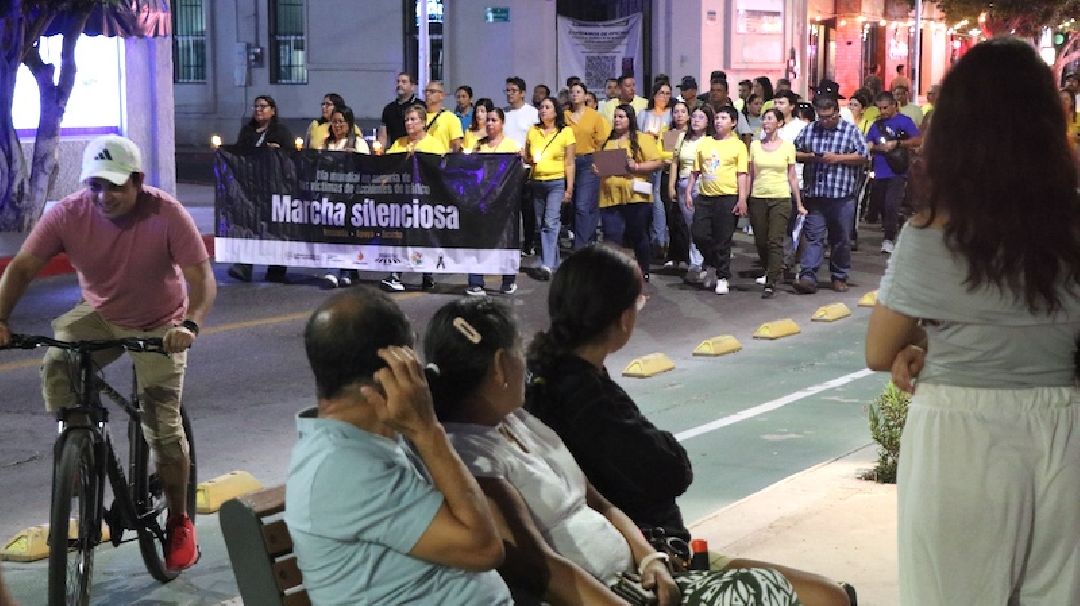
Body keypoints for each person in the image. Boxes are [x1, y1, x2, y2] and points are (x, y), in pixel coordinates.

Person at [865, 38, 1080, 606]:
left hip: (959, 432)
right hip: (1067, 429)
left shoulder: (930, 232)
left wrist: (923, 342)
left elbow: (879, 350)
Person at [522, 245, 859, 606]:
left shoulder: (557, 381)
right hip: (652, 565)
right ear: (622, 318)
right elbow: (671, 470)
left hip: (647, 555)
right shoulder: (587, 401)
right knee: (829, 599)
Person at [424, 295, 806, 606]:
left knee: (789, 589)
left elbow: (599, 503)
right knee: (767, 592)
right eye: (518, 350)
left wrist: (650, 559)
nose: (526, 361)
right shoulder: (470, 458)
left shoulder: (518, 419)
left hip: (640, 577)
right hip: (608, 594)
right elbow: (544, 569)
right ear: (499, 367)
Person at [0, 135, 216, 572]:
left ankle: (178, 521)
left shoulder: (165, 212)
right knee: (59, 357)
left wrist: (189, 324)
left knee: (164, 427)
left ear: (137, 182)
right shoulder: (68, 213)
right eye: (95, 185)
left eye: (115, 186)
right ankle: (78, 442)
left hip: (160, 324)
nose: (104, 196)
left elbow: (201, 279)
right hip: (100, 312)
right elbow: (23, 266)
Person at [285, 289, 512, 605]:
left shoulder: (371, 438)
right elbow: (485, 548)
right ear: (397, 367)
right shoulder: (341, 466)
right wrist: (428, 429)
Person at [792, 94, 869, 294]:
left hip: (842, 195)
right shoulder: (810, 130)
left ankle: (839, 275)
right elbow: (792, 152)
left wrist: (838, 158)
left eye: (830, 117)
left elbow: (863, 156)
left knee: (841, 238)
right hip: (816, 194)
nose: (826, 121)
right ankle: (808, 276)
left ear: (837, 112)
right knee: (813, 236)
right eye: (822, 117)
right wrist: (810, 157)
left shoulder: (850, 131)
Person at [228, 94, 294, 283]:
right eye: (256, 106)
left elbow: (292, 159)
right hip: (251, 187)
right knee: (249, 225)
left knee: (275, 227)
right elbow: (238, 155)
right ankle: (244, 265)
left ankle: (277, 267)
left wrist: (278, 152)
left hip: (274, 187)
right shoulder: (247, 132)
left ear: (273, 110)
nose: (258, 110)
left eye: (263, 106)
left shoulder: (281, 132)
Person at [382, 104, 447, 293]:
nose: (408, 123)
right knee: (401, 236)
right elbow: (389, 166)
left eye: (413, 119)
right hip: (402, 200)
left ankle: (428, 276)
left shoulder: (434, 144)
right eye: (406, 120)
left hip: (425, 200)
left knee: (424, 236)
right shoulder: (399, 143)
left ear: (423, 123)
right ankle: (395, 275)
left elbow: (439, 170)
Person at [686, 106, 749, 295]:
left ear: (733, 122)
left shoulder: (738, 145)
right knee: (699, 234)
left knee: (723, 239)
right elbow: (696, 171)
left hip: (728, 197)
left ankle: (722, 276)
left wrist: (742, 198)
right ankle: (712, 263)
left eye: (723, 118)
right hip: (705, 196)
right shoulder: (705, 143)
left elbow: (742, 174)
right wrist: (689, 191)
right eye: (717, 117)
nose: (719, 121)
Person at [597, 104, 664, 281]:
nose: (617, 120)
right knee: (611, 236)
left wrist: (638, 166)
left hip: (636, 195)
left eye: (621, 117)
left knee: (638, 233)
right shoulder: (607, 141)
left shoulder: (641, 139)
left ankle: (643, 269)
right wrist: (597, 169)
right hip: (610, 196)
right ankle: (615, 272)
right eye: (616, 117)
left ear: (630, 119)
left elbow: (658, 162)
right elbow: (600, 163)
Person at [749, 109, 806, 298]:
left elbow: (792, 176)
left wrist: (798, 203)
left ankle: (771, 280)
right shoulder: (755, 146)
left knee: (775, 240)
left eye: (770, 119)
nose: (766, 122)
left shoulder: (787, 147)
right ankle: (770, 268)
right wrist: (745, 197)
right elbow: (750, 174)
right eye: (764, 119)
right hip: (758, 196)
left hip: (781, 197)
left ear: (780, 123)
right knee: (761, 240)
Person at [466, 107, 522, 297]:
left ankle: (508, 281)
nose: (489, 124)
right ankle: (475, 282)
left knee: (505, 240)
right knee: (476, 240)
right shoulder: (478, 146)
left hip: (504, 204)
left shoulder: (512, 146)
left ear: (502, 123)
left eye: (494, 120)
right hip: (481, 202)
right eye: (488, 120)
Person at [525, 97, 576, 280]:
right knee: (542, 224)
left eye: (547, 107)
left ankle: (546, 265)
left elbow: (569, 163)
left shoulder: (566, 132)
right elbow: (527, 157)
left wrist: (569, 188)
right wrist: (528, 158)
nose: (543, 110)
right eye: (541, 107)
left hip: (556, 181)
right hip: (537, 181)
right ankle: (553, 262)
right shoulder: (533, 131)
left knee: (550, 221)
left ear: (556, 112)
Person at [319, 104, 369, 290]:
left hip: (350, 196)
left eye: (341, 122)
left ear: (349, 124)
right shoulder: (326, 143)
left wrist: (354, 157)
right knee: (330, 233)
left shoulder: (358, 143)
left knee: (348, 234)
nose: (338, 125)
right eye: (334, 122)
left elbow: (367, 165)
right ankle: (331, 269)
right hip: (330, 195)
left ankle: (347, 270)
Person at [866, 91, 921, 255]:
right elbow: (869, 143)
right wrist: (876, 147)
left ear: (893, 106)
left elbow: (917, 140)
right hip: (879, 170)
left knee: (891, 204)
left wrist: (897, 143)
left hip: (897, 171)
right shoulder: (875, 125)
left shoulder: (905, 121)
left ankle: (888, 238)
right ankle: (894, 223)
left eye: (885, 108)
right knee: (882, 204)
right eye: (879, 108)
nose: (882, 112)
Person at [668, 103, 713, 282]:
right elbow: (674, 162)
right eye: (694, 117)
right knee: (691, 227)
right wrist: (671, 185)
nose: (695, 120)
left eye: (700, 117)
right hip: (684, 183)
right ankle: (696, 263)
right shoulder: (682, 138)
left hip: (704, 185)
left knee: (702, 227)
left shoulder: (711, 140)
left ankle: (706, 263)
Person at [564, 82, 610, 250]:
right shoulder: (565, 116)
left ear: (585, 96)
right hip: (568, 161)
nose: (575, 94)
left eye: (578, 92)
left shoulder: (595, 116)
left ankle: (580, 246)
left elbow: (603, 140)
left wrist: (599, 161)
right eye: (572, 92)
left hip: (588, 160)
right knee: (575, 204)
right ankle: (587, 239)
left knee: (583, 205)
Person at [504, 77, 540, 256]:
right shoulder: (504, 114)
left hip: (525, 166)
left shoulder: (532, 113)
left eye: (513, 91)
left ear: (522, 93)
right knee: (509, 207)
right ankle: (509, 241)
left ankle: (529, 242)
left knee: (527, 207)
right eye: (507, 91)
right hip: (505, 168)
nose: (509, 94)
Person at [638, 81, 674, 255]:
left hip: (662, 160)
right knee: (644, 195)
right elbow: (637, 135)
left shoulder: (671, 115)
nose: (664, 97)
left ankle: (659, 239)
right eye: (661, 93)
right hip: (644, 159)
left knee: (658, 197)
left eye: (668, 93)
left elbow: (671, 141)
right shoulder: (644, 114)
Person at [378, 72, 422, 150]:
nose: (400, 84)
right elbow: (383, 136)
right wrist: (379, 151)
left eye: (404, 82)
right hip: (396, 151)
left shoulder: (421, 106)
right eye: (398, 82)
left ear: (412, 87)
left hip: (416, 150)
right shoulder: (388, 109)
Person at [421, 81, 464, 153]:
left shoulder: (450, 117)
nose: (427, 94)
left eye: (432, 92)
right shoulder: (419, 117)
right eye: (426, 92)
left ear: (442, 95)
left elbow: (456, 146)